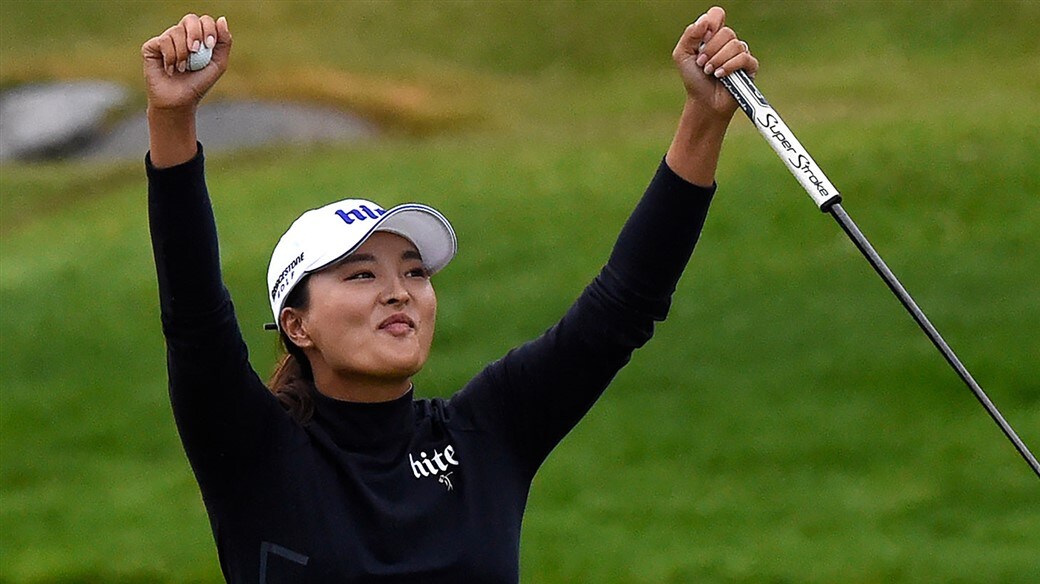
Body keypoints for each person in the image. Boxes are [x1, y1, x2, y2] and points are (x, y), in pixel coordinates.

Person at [143, 7, 757, 583]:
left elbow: (622, 307)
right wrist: (172, 119)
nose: (399, 293)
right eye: (361, 275)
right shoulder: (255, 453)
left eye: (414, 272)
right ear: (297, 325)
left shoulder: (485, 433)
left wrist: (703, 119)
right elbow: (194, 317)